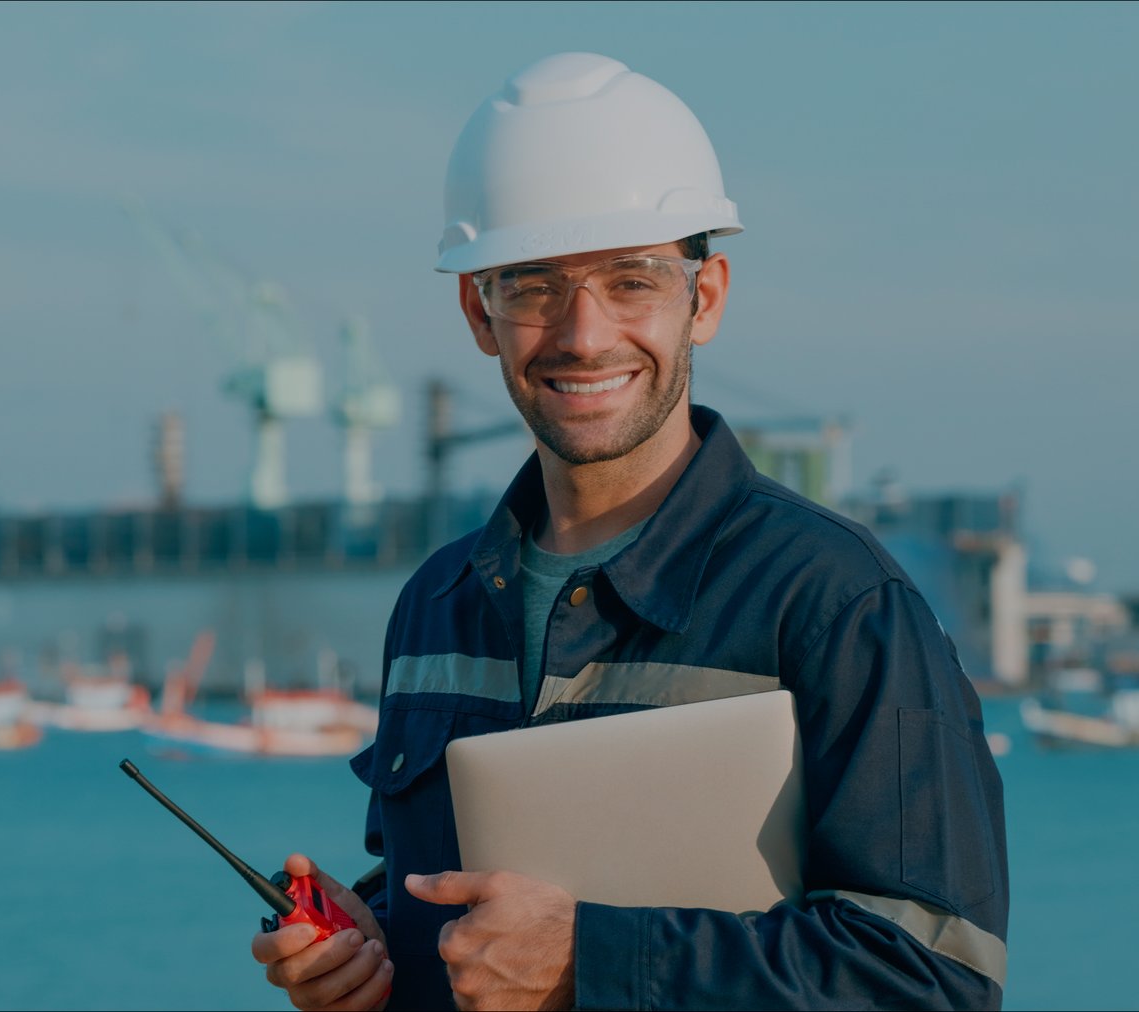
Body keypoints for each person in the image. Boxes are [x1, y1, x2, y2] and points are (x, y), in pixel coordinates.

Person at [251, 52, 1009, 1011]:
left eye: (632, 280)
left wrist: (593, 963)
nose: (583, 333)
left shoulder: (833, 602)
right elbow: (461, 918)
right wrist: (373, 955)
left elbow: (934, 981)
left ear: (708, 296)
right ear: (477, 313)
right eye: (532, 287)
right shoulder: (436, 605)